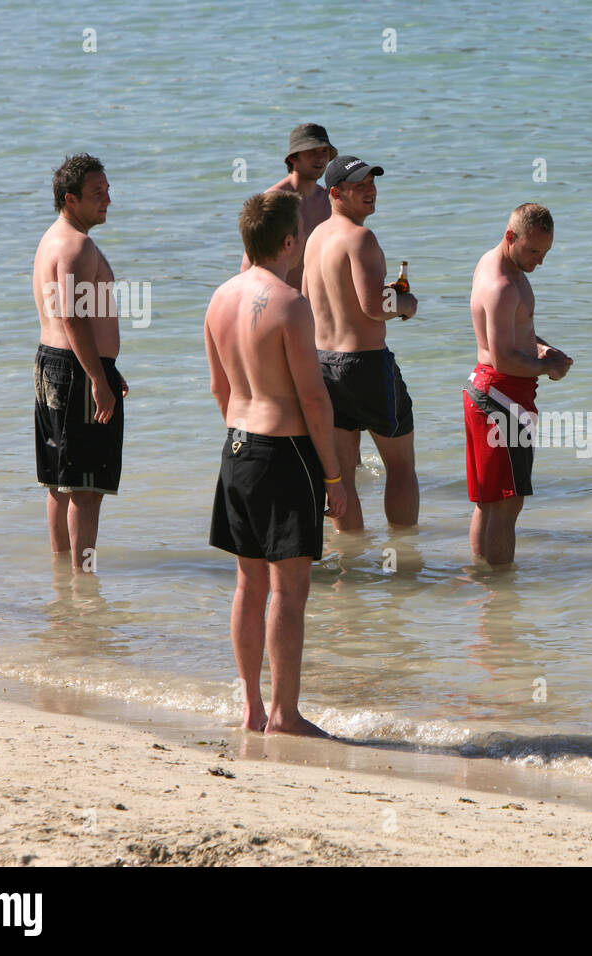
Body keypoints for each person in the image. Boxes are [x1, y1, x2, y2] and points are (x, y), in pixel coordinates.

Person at [205, 190, 348, 737]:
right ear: (289, 241)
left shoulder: (219, 299)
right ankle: (285, 715)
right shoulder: (290, 304)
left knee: (248, 585)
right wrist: (334, 476)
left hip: (237, 447)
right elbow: (314, 399)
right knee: (289, 592)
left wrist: (243, 439)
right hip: (285, 452)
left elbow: (220, 388)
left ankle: (251, 708)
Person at [301, 155, 419, 531]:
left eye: (372, 182)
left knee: (342, 476)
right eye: (359, 186)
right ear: (335, 193)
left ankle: (349, 564)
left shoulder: (316, 237)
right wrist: (405, 305)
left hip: (324, 363)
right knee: (400, 466)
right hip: (366, 365)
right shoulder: (361, 237)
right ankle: (404, 556)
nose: (370, 190)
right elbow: (373, 306)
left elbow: (308, 300)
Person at [32, 153, 127, 572]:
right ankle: (83, 578)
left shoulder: (52, 238)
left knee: (59, 482)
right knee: (86, 490)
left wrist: (109, 369)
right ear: (71, 199)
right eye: (97, 193)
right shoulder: (76, 245)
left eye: (106, 190)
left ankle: (63, 576)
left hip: (53, 364)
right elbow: (73, 316)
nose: (108, 200)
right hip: (76, 370)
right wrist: (98, 378)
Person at [464, 203, 572, 566]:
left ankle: (483, 584)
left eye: (545, 252)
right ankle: (500, 596)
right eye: (533, 250)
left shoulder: (490, 261)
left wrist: (542, 347)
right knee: (508, 504)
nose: (539, 261)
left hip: (485, 393)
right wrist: (549, 368)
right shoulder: (504, 285)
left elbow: (512, 334)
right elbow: (503, 358)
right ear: (511, 236)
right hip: (501, 399)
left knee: (488, 502)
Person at [240, 123, 337, 290]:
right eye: (312, 151)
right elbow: (249, 263)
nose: (320, 158)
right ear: (293, 158)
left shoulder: (329, 201)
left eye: (324, 151)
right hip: (279, 301)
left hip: (316, 305)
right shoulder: (274, 201)